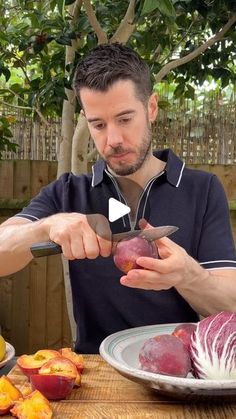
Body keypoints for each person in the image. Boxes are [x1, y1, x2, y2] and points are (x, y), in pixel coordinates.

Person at [0, 43, 235, 354]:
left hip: (178, 375)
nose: (113, 140)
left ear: (151, 107)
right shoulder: (69, 192)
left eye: (125, 119)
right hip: (95, 373)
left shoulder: (202, 189)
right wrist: (45, 228)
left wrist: (188, 276)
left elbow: (230, 304)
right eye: (98, 124)